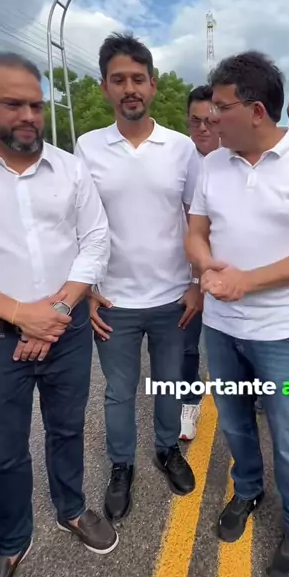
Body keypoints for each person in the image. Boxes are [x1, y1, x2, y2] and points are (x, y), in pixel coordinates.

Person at [186, 51, 289, 577]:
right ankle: (249, 490)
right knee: (234, 422)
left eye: (221, 107)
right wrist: (208, 267)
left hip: (285, 332)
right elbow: (196, 233)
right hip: (222, 328)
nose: (210, 118)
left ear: (256, 111)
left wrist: (247, 281)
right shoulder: (213, 164)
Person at [0, 52, 118, 577]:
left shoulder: (70, 169)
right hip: (3, 336)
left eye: (36, 105)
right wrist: (20, 314)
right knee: (4, 448)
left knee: (67, 429)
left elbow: (95, 240)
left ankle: (71, 508)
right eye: (12, 104)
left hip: (65, 332)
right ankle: (11, 540)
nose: (28, 115)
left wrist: (57, 312)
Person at [74, 33, 201, 524]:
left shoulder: (182, 148)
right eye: (119, 79)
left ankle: (167, 450)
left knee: (168, 384)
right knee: (118, 392)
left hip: (172, 299)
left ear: (152, 84)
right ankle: (121, 466)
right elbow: (79, 225)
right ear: (104, 87)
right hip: (114, 302)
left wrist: (196, 283)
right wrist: (86, 290)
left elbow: (197, 219)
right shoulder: (88, 147)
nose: (130, 88)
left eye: (138, 79)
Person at [180, 85, 220, 440]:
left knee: (239, 346)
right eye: (196, 121)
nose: (203, 128)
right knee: (187, 346)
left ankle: (253, 396)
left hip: (231, 274)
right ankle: (189, 403)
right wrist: (195, 280)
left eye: (211, 120)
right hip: (189, 274)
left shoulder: (236, 158)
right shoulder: (178, 158)